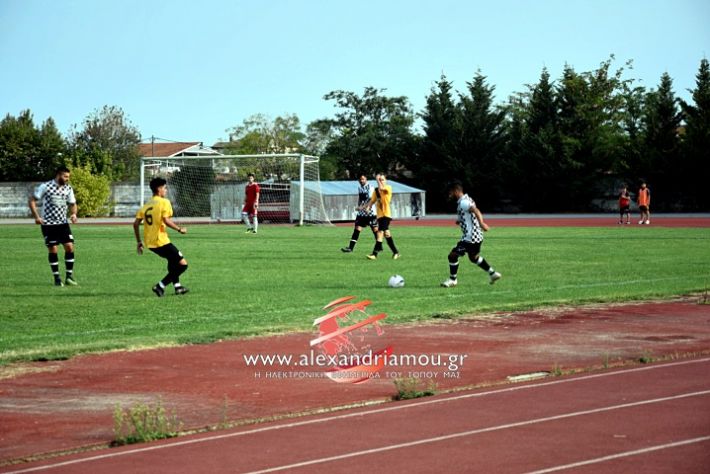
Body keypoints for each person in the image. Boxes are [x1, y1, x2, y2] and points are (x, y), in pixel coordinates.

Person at [133, 177, 189, 297]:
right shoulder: (164, 202)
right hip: (161, 241)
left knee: (172, 261)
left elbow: (136, 224)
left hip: (150, 243)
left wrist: (139, 242)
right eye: (164, 188)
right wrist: (179, 229)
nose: (166, 190)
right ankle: (160, 285)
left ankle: (178, 287)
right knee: (183, 265)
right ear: (159, 189)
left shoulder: (147, 204)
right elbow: (166, 220)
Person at [441, 181, 501, 287]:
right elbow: (469, 214)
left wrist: (482, 223)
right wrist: (460, 221)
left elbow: (476, 211)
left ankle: (452, 280)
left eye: (450, 192)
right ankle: (493, 273)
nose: (449, 195)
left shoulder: (464, 202)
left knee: (452, 256)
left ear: (456, 191)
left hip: (470, 237)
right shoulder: (465, 200)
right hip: (477, 236)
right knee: (474, 258)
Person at [28, 166, 78, 287]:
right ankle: (57, 278)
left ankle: (69, 276)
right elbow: (32, 200)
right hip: (48, 224)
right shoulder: (45, 186)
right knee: (53, 249)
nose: (67, 179)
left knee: (70, 247)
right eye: (65, 176)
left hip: (63, 223)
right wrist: (36, 217)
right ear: (58, 175)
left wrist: (73, 214)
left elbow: (73, 203)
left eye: (68, 177)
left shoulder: (68, 188)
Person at [359, 173, 400, 260]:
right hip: (380, 216)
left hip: (386, 214)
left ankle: (374, 254)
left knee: (380, 233)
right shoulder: (376, 190)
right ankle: (396, 252)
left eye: (382, 179)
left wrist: (377, 180)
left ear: (386, 181)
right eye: (380, 179)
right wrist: (368, 207)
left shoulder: (388, 187)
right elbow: (372, 201)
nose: (381, 181)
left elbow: (382, 188)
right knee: (387, 234)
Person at [341, 174, 378, 253]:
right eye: (360, 179)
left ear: (366, 179)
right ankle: (350, 248)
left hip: (370, 212)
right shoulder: (360, 188)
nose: (361, 181)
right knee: (357, 229)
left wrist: (363, 207)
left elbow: (371, 200)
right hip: (361, 213)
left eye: (363, 179)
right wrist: (359, 206)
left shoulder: (370, 187)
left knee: (375, 229)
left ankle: (378, 246)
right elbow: (360, 198)